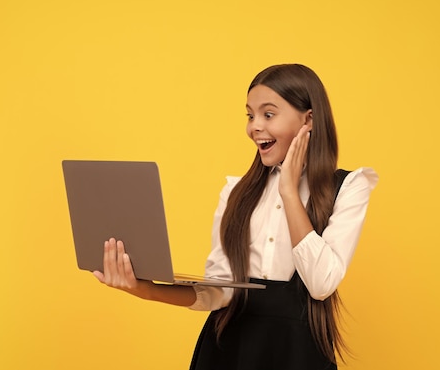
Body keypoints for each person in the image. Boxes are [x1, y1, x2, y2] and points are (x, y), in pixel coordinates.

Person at [93, 64, 378, 370]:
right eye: (250, 115)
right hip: (228, 351)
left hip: (297, 354)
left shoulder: (349, 187)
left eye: (268, 114)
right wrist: (144, 289)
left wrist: (289, 193)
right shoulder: (235, 192)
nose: (254, 126)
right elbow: (218, 294)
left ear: (308, 119)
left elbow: (321, 283)